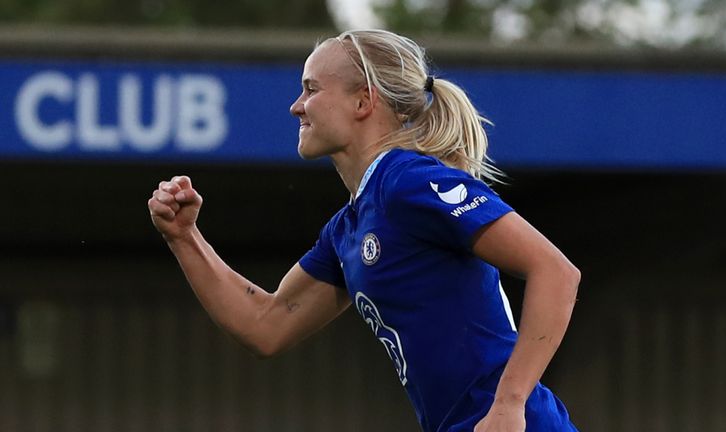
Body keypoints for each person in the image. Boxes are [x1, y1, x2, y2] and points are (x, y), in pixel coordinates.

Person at [148, 29, 580, 432]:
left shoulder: (406, 180)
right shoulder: (349, 226)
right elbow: (266, 324)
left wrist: (509, 403)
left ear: (363, 102)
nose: (296, 105)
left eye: (311, 89)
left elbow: (556, 270)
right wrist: (184, 237)